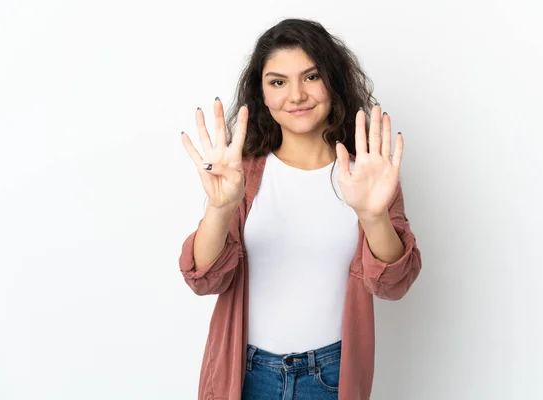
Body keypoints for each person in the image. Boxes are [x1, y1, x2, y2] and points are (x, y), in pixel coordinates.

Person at [179, 18, 422, 400]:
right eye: (278, 81)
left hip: (330, 377)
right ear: (261, 94)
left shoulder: (369, 174)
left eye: (311, 77)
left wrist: (373, 217)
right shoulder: (242, 173)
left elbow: (393, 285)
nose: (296, 96)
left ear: (333, 81)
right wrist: (219, 208)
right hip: (245, 375)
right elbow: (204, 280)